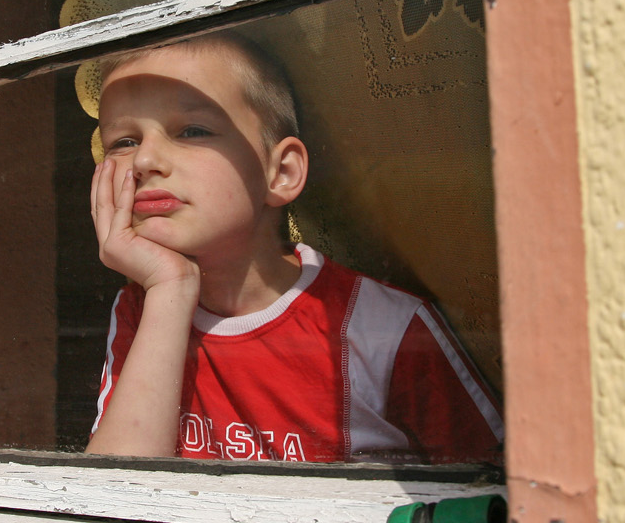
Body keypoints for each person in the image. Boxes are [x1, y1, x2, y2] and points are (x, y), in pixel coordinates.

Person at [85, 33, 503, 462]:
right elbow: (116, 493)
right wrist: (171, 290)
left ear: (280, 172)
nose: (144, 161)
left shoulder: (381, 327)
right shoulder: (144, 307)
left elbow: (489, 495)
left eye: (193, 131)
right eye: (124, 142)